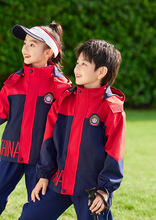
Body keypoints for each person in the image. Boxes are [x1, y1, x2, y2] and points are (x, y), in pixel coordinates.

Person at [0, 22, 71, 220]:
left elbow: (64, 128)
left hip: (42, 160)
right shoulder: (13, 83)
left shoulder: (61, 87)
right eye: (25, 43)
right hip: (12, 153)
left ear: (49, 52)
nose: (25, 48)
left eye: (32, 44)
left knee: (37, 207)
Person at [19, 39, 126, 220]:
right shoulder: (64, 100)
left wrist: (104, 190)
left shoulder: (111, 109)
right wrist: (44, 175)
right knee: (30, 216)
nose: (77, 68)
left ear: (101, 72)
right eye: (77, 63)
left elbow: (115, 153)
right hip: (59, 181)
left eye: (84, 64)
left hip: (91, 188)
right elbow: (48, 140)